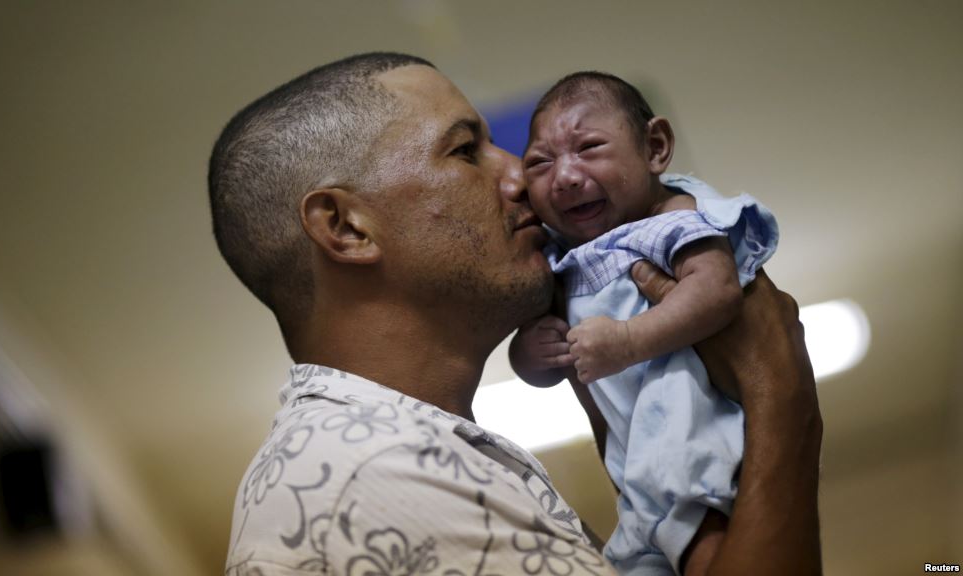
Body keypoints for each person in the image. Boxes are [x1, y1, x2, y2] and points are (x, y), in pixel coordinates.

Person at [208, 52, 822, 576]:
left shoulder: (392, 456)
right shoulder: (372, 475)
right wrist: (781, 396)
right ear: (346, 227)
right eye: (466, 150)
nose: (519, 177)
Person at [509, 72, 779, 574]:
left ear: (655, 147)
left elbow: (716, 291)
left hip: (694, 445)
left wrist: (630, 340)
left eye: (588, 147)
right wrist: (530, 353)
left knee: (707, 547)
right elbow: (546, 369)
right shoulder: (559, 259)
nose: (564, 176)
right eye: (539, 163)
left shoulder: (670, 218)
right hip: (637, 477)